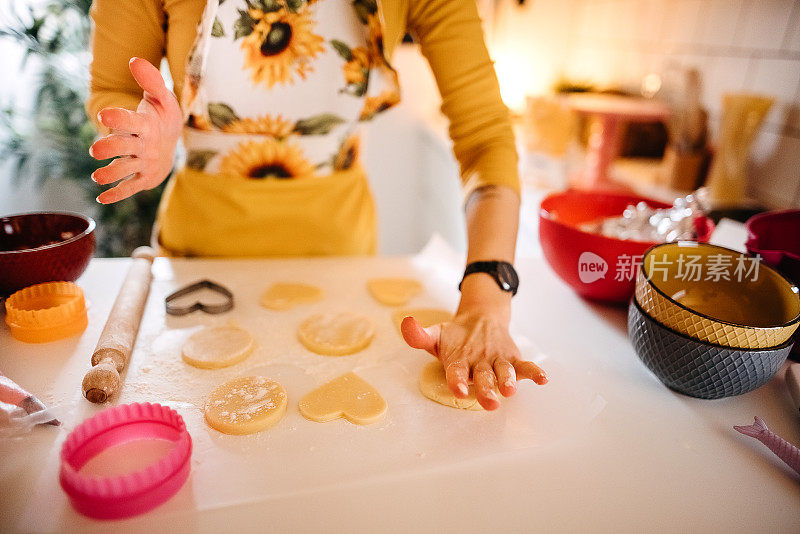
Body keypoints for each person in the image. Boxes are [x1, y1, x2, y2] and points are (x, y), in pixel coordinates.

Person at [87, 0, 547, 410]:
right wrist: (138, 135)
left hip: (344, 267)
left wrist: (487, 298)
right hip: (198, 267)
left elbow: (486, 138)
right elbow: (112, 87)